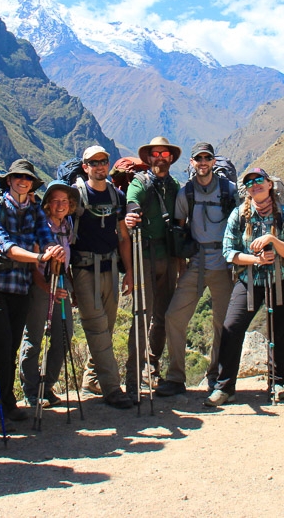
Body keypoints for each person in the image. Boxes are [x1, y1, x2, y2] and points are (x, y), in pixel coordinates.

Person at [205, 168, 284, 407]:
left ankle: (277, 383)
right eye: (250, 183)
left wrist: (271, 240)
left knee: (277, 330)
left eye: (259, 180)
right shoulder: (239, 215)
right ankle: (224, 387)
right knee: (231, 327)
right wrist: (257, 260)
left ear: (269, 184)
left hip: (279, 279)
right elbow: (229, 252)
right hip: (249, 280)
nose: (255, 185)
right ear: (246, 190)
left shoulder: (283, 213)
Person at [0, 159, 65, 423]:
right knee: (0, 346)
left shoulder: (35, 211)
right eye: (19, 177)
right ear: (9, 180)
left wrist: (53, 249)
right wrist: (41, 257)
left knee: (11, 347)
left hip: (21, 287)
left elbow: (45, 237)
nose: (23, 181)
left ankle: (6, 402)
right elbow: (5, 247)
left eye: (28, 178)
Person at [158, 142, 237, 397]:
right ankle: (175, 377)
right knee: (174, 316)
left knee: (222, 324)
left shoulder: (229, 190)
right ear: (192, 162)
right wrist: (181, 264)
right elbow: (180, 230)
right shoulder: (186, 193)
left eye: (207, 158)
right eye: (198, 159)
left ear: (213, 161)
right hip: (196, 263)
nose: (203, 163)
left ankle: (216, 376)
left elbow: (240, 224)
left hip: (223, 264)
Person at [71, 145, 135, 409]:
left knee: (106, 328)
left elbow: (123, 237)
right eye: (93, 162)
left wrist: (129, 271)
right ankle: (112, 388)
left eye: (103, 161)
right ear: (85, 167)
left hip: (110, 268)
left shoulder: (115, 196)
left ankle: (91, 379)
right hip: (84, 270)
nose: (99, 166)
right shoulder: (76, 196)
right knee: (96, 327)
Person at [123, 136, 182, 396]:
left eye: (164, 154)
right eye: (156, 154)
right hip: (144, 254)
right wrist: (132, 213)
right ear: (148, 158)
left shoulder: (174, 185)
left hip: (167, 255)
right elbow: (132, 201)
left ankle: (152, 366)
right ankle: (133, 376)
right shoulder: (140, 182)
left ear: (171, 158)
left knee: (163, 316)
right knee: (142, 316)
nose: (160, 158)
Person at [19, 180, 78, 407]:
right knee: (34, 337)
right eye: (55, 201)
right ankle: (31, 390)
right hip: (41, 286)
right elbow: (33, 265)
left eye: (65, 201)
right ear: (47, 204)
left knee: (63, 335)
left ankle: (46, 385)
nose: (60, 205)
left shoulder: (67, 225)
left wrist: (70, 287)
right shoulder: (40, 226)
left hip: (61, 285)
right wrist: (46, 288)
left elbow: (67, 259)